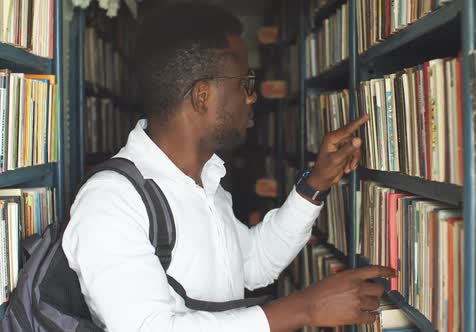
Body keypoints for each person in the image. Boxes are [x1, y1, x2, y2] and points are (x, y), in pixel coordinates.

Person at [62, 3, 395, 332]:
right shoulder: (110, 200)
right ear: (203, 96)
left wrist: (315, 184)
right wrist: (304, 308)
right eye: (245, 83)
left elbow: (254, 265)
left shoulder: (207, 183)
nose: (252, 97)